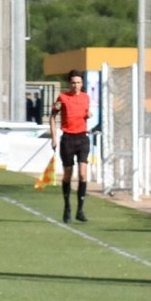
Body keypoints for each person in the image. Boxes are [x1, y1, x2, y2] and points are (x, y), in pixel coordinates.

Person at [49, 69, 92, 222]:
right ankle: (67, 206)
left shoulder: (86, 97)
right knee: (68, 173)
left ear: (82, 84)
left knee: (82, 173)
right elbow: (53, 116)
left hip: (82, 137)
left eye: (79, 83)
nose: (76, 86)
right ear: (69, 83)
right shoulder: (62, 98)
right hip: (68, 138)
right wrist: (54, 138)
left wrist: (88, 115)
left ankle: (80, 210)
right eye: (73, 83)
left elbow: (86, 113)